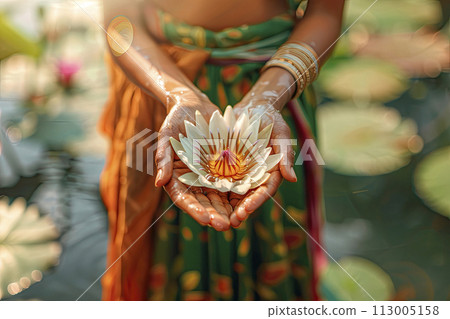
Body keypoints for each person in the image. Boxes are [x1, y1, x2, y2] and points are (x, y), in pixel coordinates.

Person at [100, 0, 345, 300]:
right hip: (161, 101)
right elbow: (119, 23)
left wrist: (269, 96)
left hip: (272, 106)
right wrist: (176, 94)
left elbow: (324, 13)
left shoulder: (271, 104)